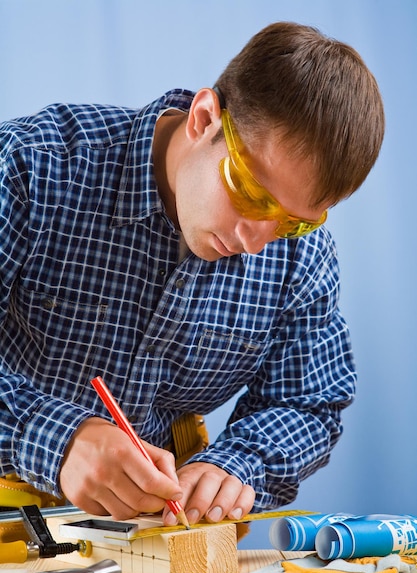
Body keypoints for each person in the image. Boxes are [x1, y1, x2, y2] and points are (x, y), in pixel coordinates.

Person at [0, 22, 384, 526]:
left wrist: (236, 466)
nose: (255, 241)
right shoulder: (35, 167)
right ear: (204, 119)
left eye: (291, 222)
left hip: (148, 541)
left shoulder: (301, 256)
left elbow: (308, 401)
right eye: (251, 195)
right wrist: (53, 438)